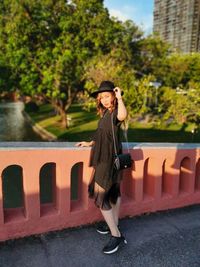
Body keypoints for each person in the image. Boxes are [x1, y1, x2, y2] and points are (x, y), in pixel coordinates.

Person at [75, 80, 128, 254]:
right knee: (113, 193)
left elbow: (122, 116)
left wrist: (120, 99)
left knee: (101, 196)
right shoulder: (105, 113)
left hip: (108, 161)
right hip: (106, 160)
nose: (104, 100)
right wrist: (90, 142)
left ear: (113, 95)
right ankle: (115, 224)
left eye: (107, 96)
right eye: (101, 97)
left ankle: (116, 235)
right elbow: (102, 134)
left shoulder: (114, 113)